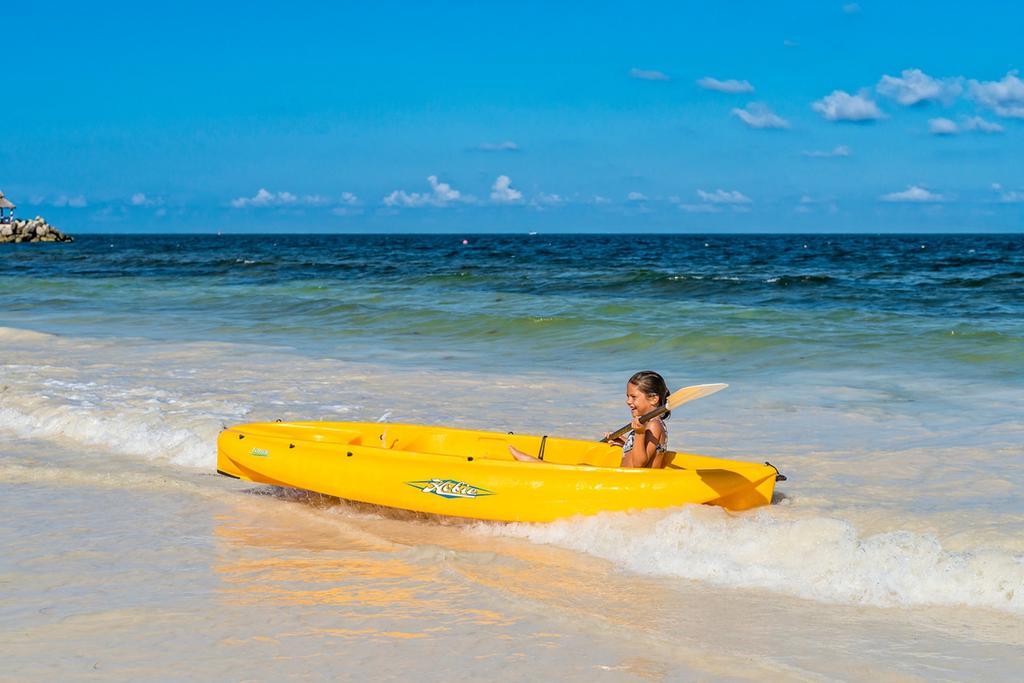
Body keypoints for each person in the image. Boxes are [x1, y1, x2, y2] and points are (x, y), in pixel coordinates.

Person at [509, 371, 671, 468]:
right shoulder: (646, 424)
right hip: (624, 479)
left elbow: (638, 465)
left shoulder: (654, 425)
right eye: (627, 396)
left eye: (634, 397)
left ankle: (533, 463)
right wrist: (625, 443)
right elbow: (642, 452)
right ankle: (535, 463)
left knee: (580, 470)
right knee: (583, 467)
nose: (628, 401)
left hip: (632, 485)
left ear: (653, 399)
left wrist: (640, 434)